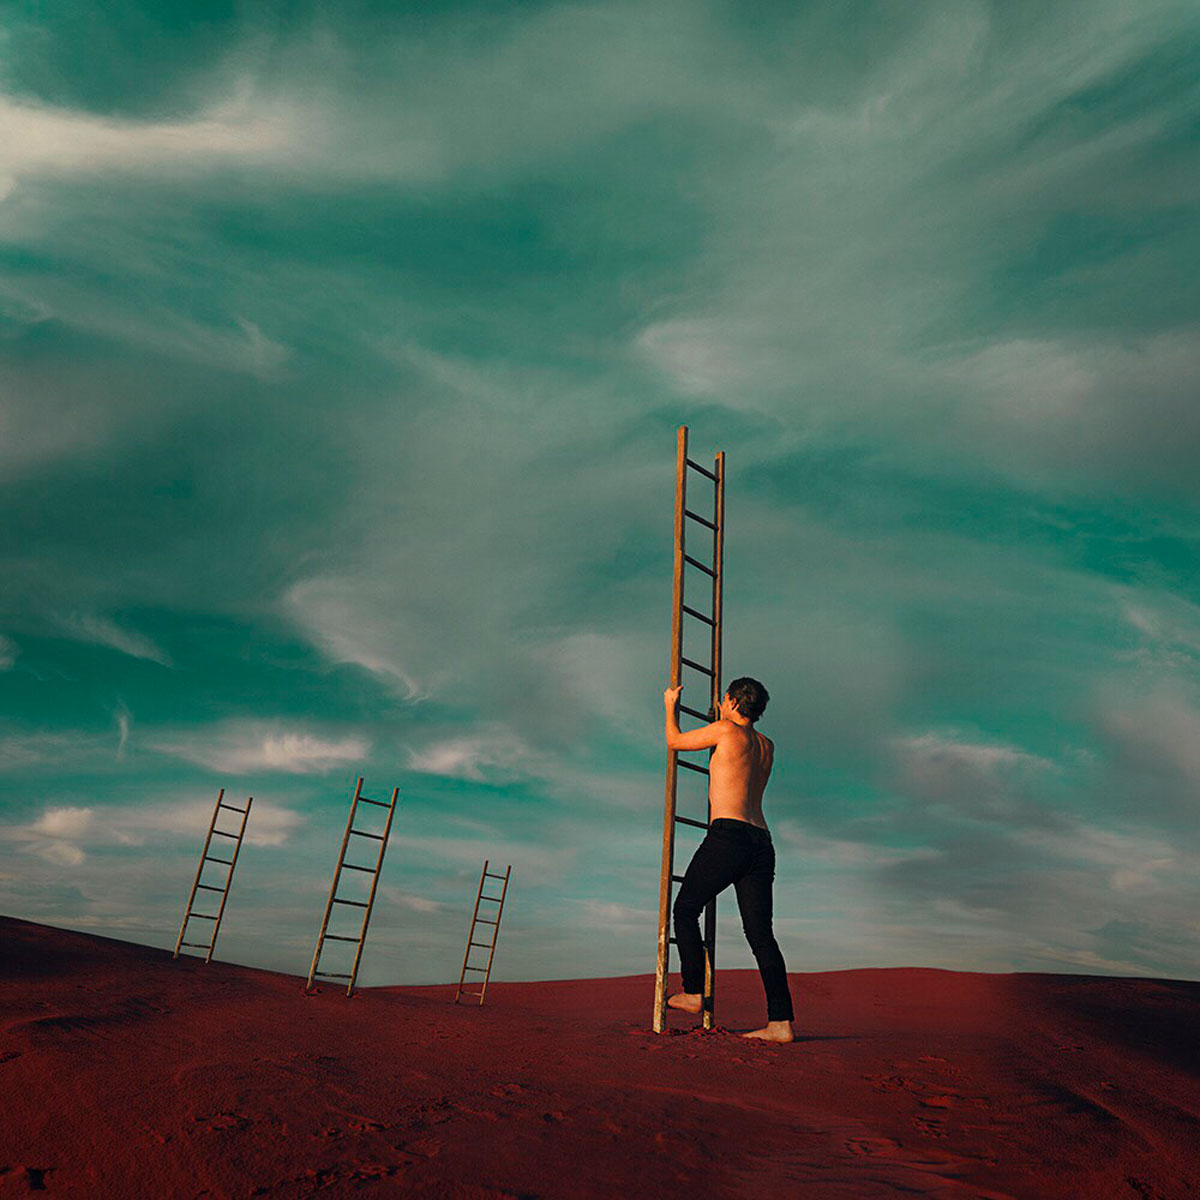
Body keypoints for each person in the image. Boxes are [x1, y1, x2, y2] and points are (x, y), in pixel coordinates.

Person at [663, 676, 795, 1043]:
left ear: (735, 703)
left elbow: (674, 742)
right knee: (761, 935)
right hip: (761, 841)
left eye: (725, 699)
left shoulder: (724, 731)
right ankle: (781, 1022)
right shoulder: (766, 746)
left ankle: (692, 992)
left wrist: (669, 705)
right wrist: (718, 721)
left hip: (729, 836)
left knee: (685, 909)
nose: (722, 704)